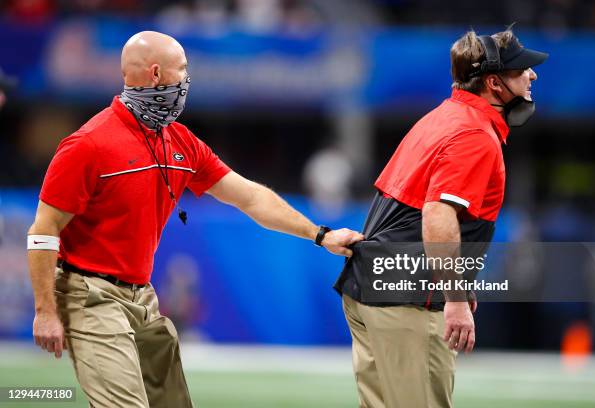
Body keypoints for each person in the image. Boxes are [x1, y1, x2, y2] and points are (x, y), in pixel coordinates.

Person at [27, 31, 364, 408]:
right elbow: (44, 229)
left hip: (142, 297)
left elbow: (251, 197)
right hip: (89, 296)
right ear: (156, 74)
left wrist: (321, 235)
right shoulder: (88, 144)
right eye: (183, 69)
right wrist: (45, 312)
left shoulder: (180, 142)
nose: (187, 79)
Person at [334, 28, 547, 408]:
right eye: (522, 70)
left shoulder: (443, 116)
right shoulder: (474, 133)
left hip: (371, 288)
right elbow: (437, 213)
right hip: (407, 302)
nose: (531, 75)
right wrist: (454, 297)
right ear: (494, 83)